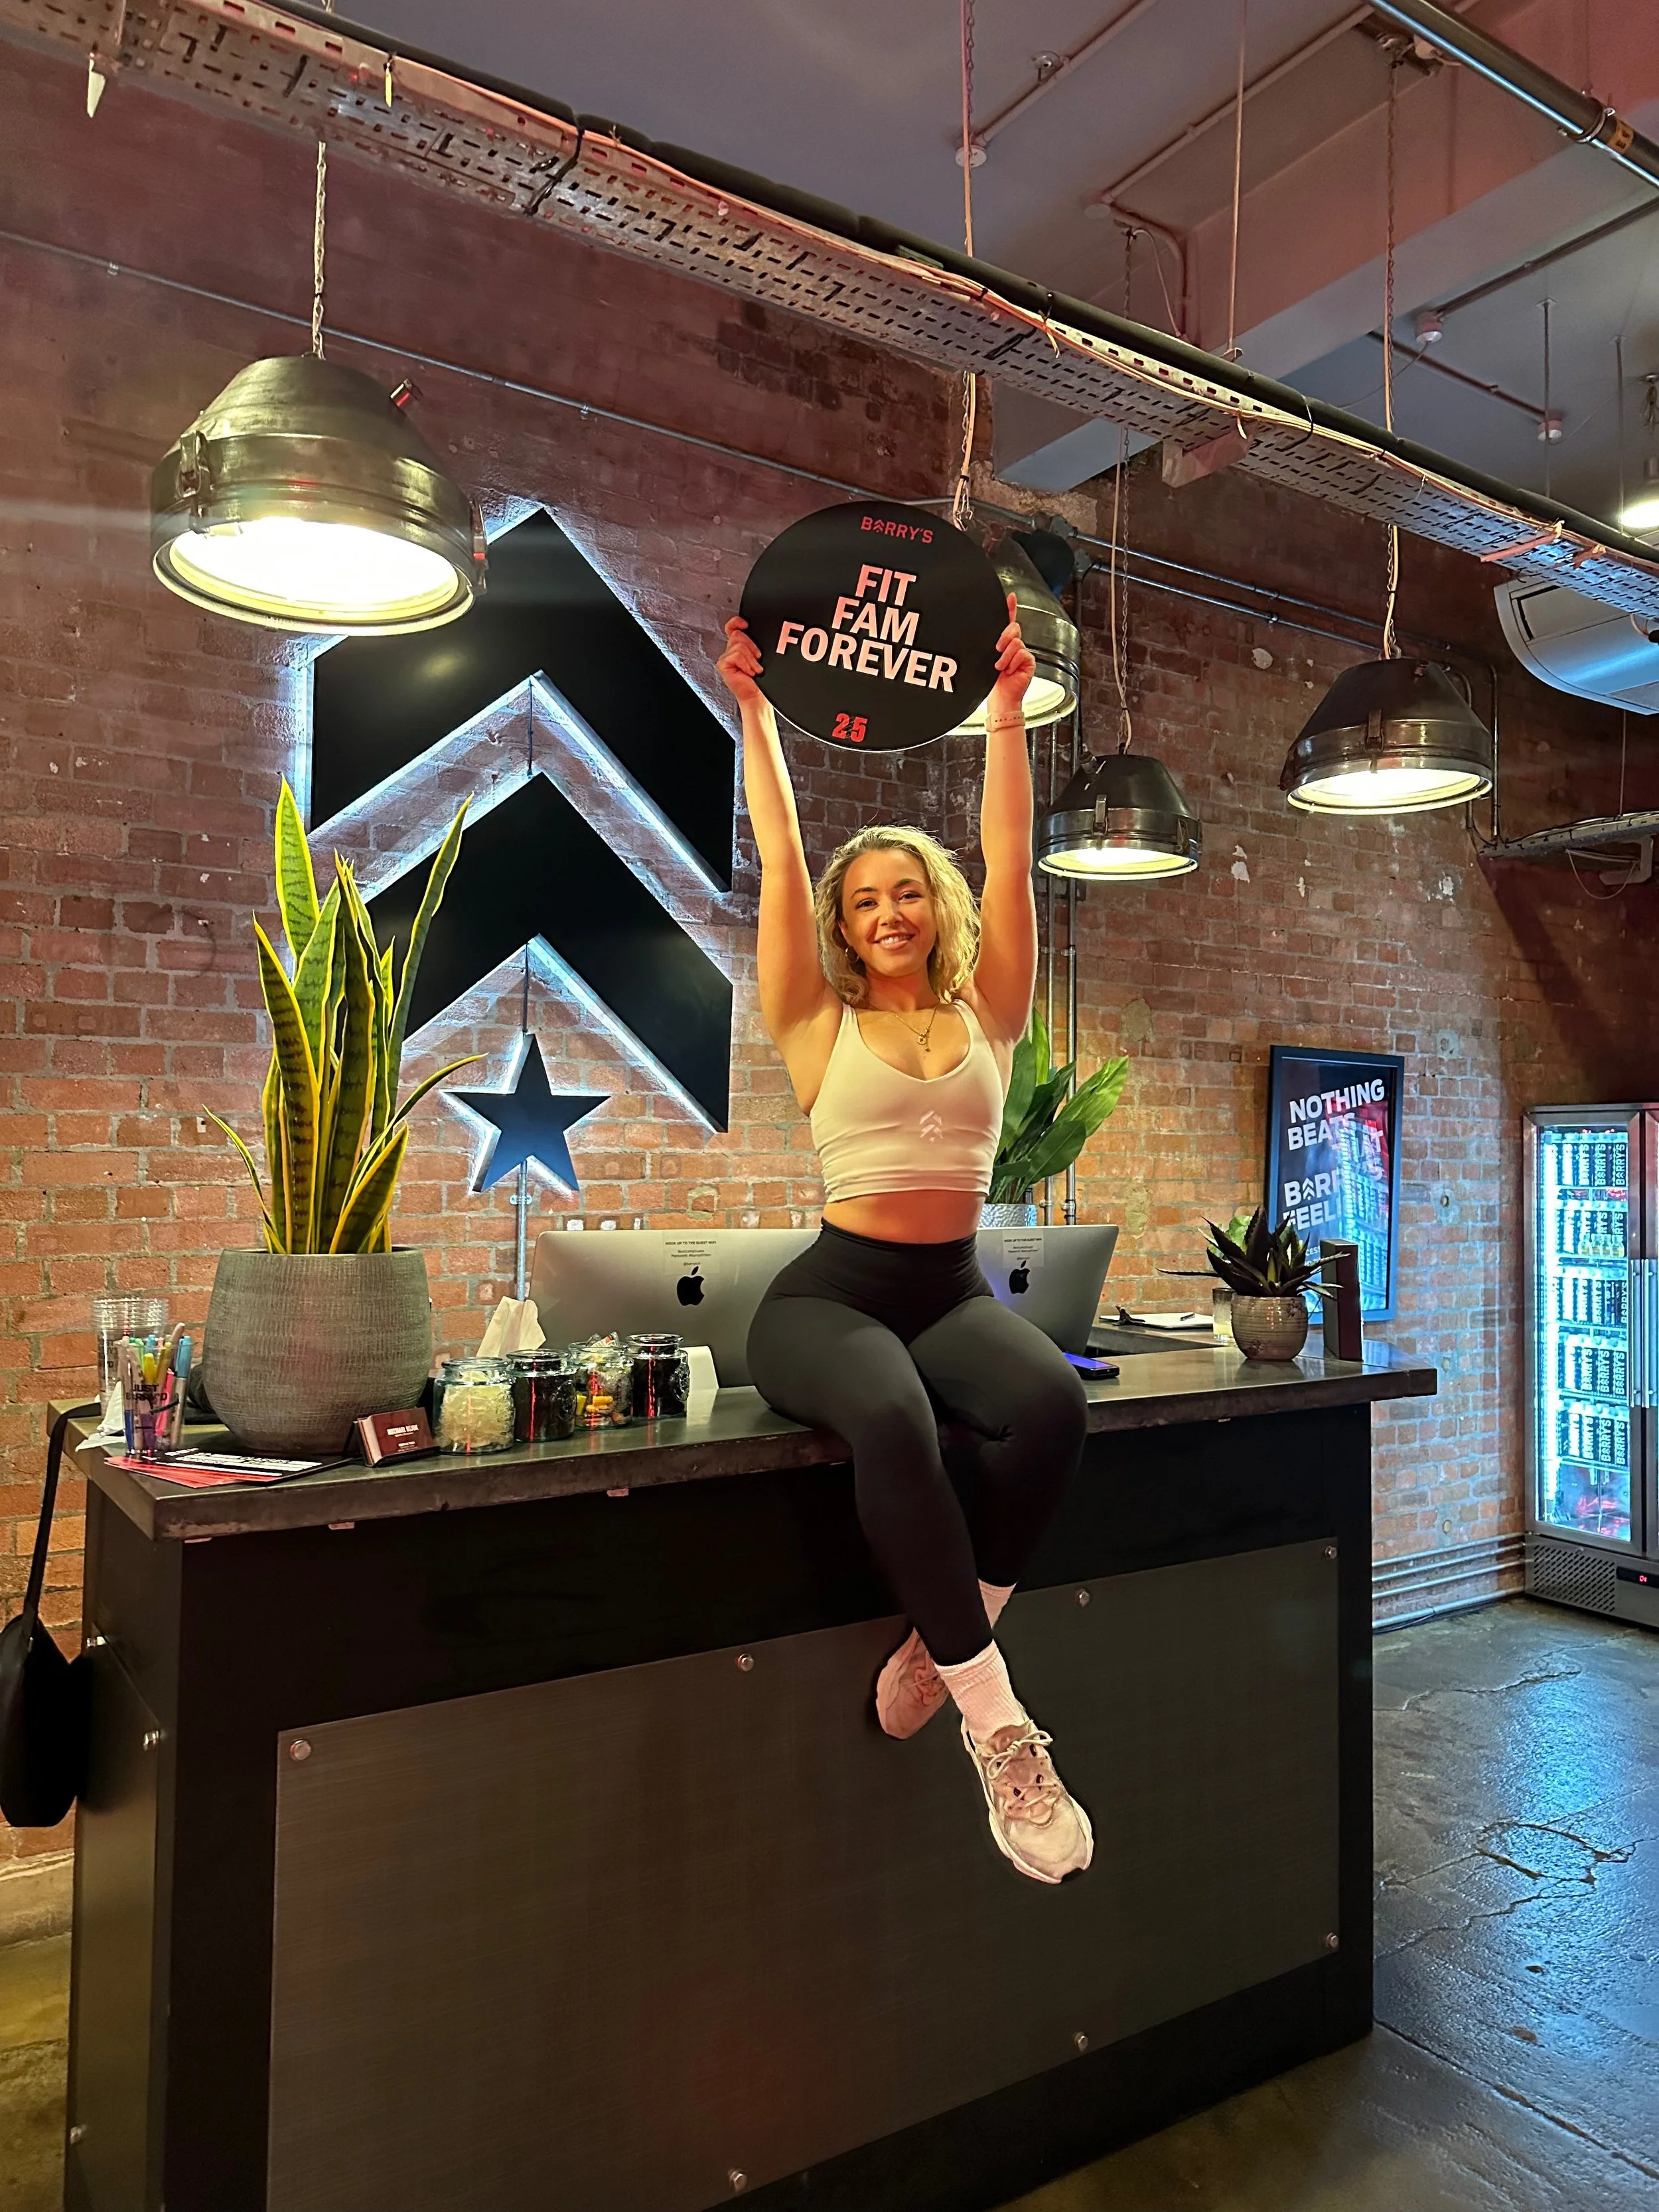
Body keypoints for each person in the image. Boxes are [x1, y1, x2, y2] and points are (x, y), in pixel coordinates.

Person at [715, 595, 1092, 1887]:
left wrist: (1006, 716)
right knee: (893, 1416)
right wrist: (757, 714)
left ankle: (946, 1639)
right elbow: (780, 856)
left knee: (1052, 1405)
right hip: (827, 1303)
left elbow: (1010, 855)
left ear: (936, 907)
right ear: (844, 923)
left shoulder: (991, 1011)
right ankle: (998, 1728)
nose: (887, 910)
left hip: (948, 1293)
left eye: (907, 890)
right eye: (865, 898)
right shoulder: (815, 1020)